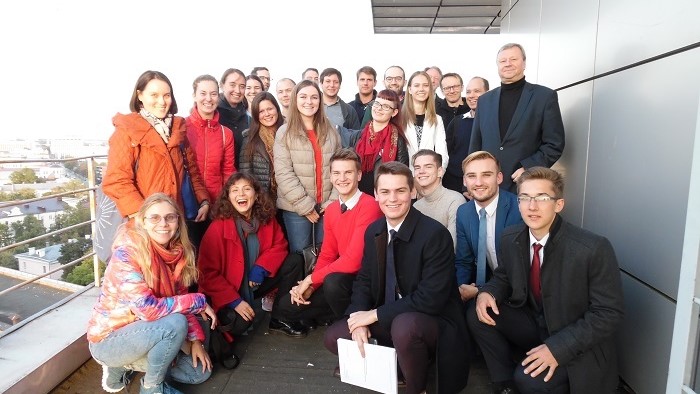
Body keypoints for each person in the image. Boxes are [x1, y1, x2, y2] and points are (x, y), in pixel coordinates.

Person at [469, 167, 624, 394]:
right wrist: (487, 292)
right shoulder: (512, 237)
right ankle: (505, 385)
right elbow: (503, 275)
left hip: (574, 339)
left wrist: (558, 349)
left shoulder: (592, 248)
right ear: (518, 202)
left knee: (529, 381)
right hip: (535, 324)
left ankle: (526, 379)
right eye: (525, 198)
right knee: (477, 312)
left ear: (558, 204)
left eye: (542, 198)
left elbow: (609, 313)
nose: (532, 206)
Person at [323, 162, 470, 394]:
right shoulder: (374, 230)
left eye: (400, 190)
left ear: (412, 192)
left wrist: (373, 315)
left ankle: (417, 387)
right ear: (376, 194)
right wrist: (357, 319)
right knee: (335, 337)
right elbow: (364, 280)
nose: (393, 198)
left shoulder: (435, 235)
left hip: (434, 321)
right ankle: (401, 364)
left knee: (404, 327)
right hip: (392, 314)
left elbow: (430, 298)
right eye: (385, 191)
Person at [87, 193, 217, 394]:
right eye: (154, 217)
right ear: (143, 222)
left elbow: (179, 297)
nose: (163, 224)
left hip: (147, 332)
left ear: (178, 222)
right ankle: (151, 386)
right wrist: (197, 301)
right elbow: (148, 309)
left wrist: (195, 341)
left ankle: (132, 364)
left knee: (199, 372)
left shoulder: (175, 252)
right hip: (109, 340)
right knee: (175, 324)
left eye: (170, 217)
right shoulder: (127, 253)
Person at [279, 149, 383, 327]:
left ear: (359, 175)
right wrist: (311, 288)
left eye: (348, 172)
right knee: (285, 308)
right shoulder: (333, 209)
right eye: (337, 173)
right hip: (341, 282)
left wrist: (309, 279)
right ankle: (334, 314)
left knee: (333, 282)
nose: (342, 178)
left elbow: (354, 261)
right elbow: (327, 254)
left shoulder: (370, 205)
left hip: (366, 282)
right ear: (331, 176)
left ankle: (351, 323)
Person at [198, 173, 308, 339]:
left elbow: (280, 246)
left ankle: (280, 318)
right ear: (228, 197)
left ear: (256, 195)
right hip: (230, 289)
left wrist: (262, 267)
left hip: (256, 281)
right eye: (235, 190)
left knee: (295, 261)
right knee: (240, 324)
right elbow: (206, 274)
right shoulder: (217, 228)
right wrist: (235, 301)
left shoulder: (266, 219)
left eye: (246, 189)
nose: (241, 194)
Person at [102, 70, 210, 222]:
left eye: (167, 95)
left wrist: (203, 200)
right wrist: (146, 218)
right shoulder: (127, 131)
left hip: (175, 222)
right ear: (139, 95)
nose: (162, 101)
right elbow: (117, 180)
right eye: (154, 95)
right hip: (145, 226)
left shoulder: (177, 131)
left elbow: (191, 172)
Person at [469, 43, 565, 192]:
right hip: (487, 187)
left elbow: (554, 144)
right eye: (503, 61)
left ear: (524, 63)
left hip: (523, 185)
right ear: (497, 65)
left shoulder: (544, 97)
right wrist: (472, 181)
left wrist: (528, 168)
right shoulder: (485, 100)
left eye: (513, 59)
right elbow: (475, 144)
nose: (508, 64)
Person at [273, 79, 341, 254]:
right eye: (303, 97)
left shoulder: (331, 131)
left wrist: (333, 201)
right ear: (295, 100)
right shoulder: (285, 132)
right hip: (297, 209)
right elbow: (283, 172)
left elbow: (340, 166)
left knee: (325, 254)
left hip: (326, 205)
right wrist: (305, 206)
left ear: (320, 100)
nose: (309, 102)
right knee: (301, 255)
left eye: (314, 97)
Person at [454, 150, 521, 304]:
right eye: (471, 176)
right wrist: (460, 291)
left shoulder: (518, 209)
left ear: (499, 178)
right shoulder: (464, 212)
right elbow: (464, 261)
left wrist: (482, 291)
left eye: (486, 174)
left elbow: (519, 269)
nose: (478, 182)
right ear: (464, 181)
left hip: (516, 293)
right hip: (481, 287)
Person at [185, 74, 236, 249]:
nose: (208, 99)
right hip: (187, 205)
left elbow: (228, 171)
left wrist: (224, 204)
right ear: (194, 96)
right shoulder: (181, 127)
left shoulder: (225, 133)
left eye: (213, 94)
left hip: (216, 206)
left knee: (212, 257)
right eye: (203, 93)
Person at [351, 89, 409, 195]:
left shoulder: (398, 140)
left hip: (384, 195)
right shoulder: (358, 136)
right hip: (358, 195)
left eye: (386, 106)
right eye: (377, 104)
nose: (379, 109)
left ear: (394, 112)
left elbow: (402, 173)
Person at [444, 76, 489, 194]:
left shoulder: (495, 122)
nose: (471, 95)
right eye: (468, 92)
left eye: (477, 91)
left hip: (484, 185)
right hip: (455, 184)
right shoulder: (457, 122)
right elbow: (447, 152)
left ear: (488, 93)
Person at [412, 149, 465, 246]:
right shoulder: (416, 207)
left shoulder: (455, 200)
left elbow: (452, 245)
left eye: (428, 167)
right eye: (417, 168)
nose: (421, 171)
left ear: (440, 171)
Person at [239, 92, 284, 200]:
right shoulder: (249, 139)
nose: (267, 114)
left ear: (276, 109)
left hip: (288, 198)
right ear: (255, 115)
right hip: (263, 200)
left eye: (270, 109)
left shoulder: (289, 133)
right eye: (261, 111)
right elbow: (246, 174)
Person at [402, 71, 449, 171]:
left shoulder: (437, 119)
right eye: (417, 85)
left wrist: (438, 175)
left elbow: (442, 153)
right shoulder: (399, 118)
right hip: (405, 177)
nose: (421, 89)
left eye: (425, 85)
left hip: (430, 176)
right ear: (410, 89)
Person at [218, 68, 249, 169]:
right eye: (232, 85)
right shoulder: (214, 116)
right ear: (222, 85)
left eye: (242, 86)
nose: (238, 90)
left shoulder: (249, 120)